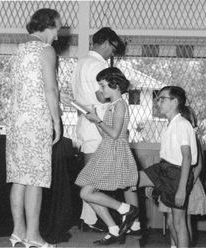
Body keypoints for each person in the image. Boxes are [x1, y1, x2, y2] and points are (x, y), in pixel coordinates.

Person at [5, 8, 62, 248]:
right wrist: (57, 120)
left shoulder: (19, 49)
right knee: (36, 179)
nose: (58, 35)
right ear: (48, 26)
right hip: (37, 120)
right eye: (57, 28)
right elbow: (50, 89)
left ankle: (18, 232)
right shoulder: (45, 50)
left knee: (19, 179)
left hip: (16, 120)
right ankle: (33, 235)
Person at [74, 67, 139, 245]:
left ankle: (125, 209)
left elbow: (115, 134)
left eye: (103, 86)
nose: (101, 90)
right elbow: (106, 134)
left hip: (113, 152)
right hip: (107, 149)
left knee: (86, 192)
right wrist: (95, 120)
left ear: (115, 84)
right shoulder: (113, 105)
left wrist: (99, 121)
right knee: (86, 192)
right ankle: (114, 228)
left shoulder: (120, 105)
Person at [70, 27, 126, 232]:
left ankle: (90, 219)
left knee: (90, 177)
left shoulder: (80, 64)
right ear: (104, 43)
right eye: (112, 48)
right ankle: (94, 219)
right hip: (99, 123)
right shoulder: (98, 65)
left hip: (86, 124)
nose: (112, 53)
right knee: (93, 180)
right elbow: (102, 95)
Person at [138, 86, 198, 248]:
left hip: (176, 173)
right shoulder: (170, 124)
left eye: (162, 99)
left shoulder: (182, 124)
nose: (158, 102)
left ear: (175, 102)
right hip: (164, 168)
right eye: (158, 99)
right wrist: (154, 182)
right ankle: (127, 214)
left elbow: (187, 157)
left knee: (177, 221)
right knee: (132, 179)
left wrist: (182, 189)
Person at [155, 106, 206, 247]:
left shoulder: (192, 138)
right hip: (172, 183)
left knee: (182, 221)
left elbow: (198, 167)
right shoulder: (175, 135)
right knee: (171, 221)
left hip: (187, 184)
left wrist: (186, 187)